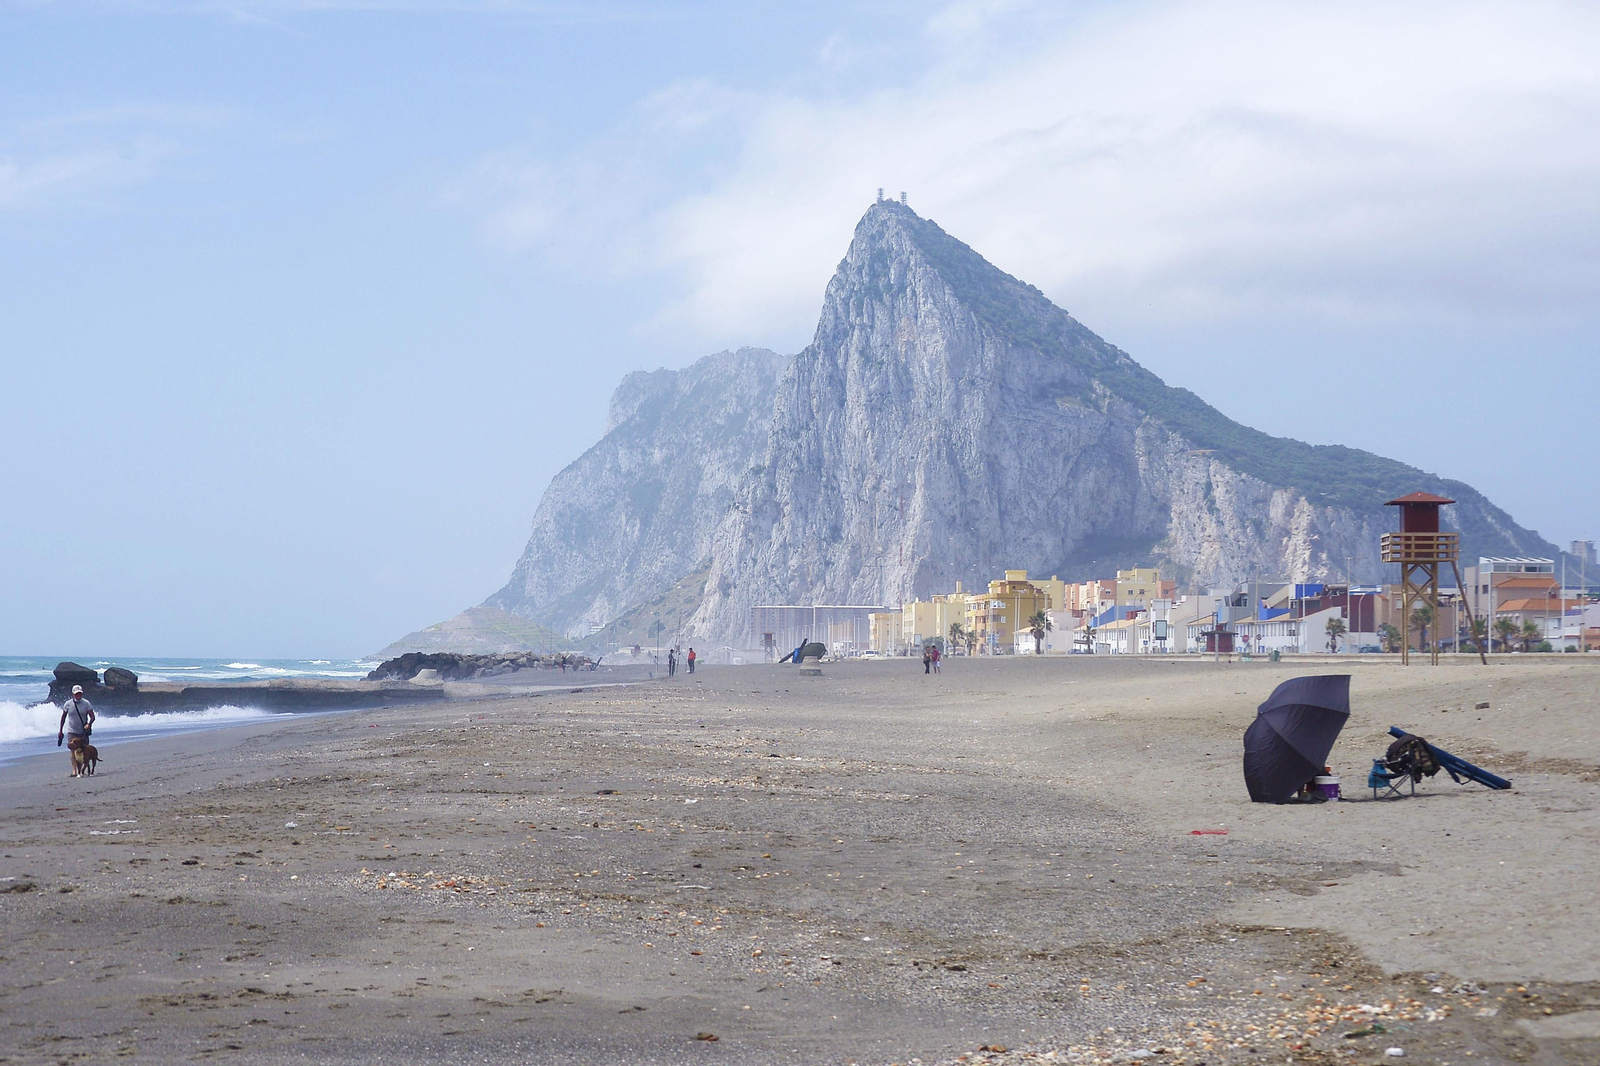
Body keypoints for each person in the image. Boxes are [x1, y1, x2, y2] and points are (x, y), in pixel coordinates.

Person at [58, 684, 96, 779]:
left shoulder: (86, 703)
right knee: (73, 751)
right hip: (72, 731)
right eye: (76, 694)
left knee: (85, 751)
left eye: (79, 694)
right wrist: (60, 730)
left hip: (83, 731)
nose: (78, 696)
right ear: (73, 694)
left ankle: (86, 768)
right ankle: (75, 771)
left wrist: (89, 723)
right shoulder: (68, 704)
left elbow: (92, 716)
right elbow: (63, 717)